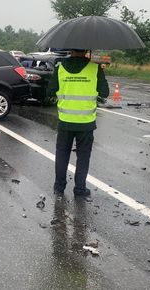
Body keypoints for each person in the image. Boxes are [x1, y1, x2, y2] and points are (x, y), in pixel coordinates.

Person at [48, 49, 109, 198]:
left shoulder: (60, 67)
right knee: (83, 157)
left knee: (62, 155)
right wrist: (101, 73)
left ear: (70, 50)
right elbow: (105, 92)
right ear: (86, 50)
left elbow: (50, 91)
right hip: (85, 123)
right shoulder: (95, 68)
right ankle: (80, 189)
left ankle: (59, 187)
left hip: (65, 121)